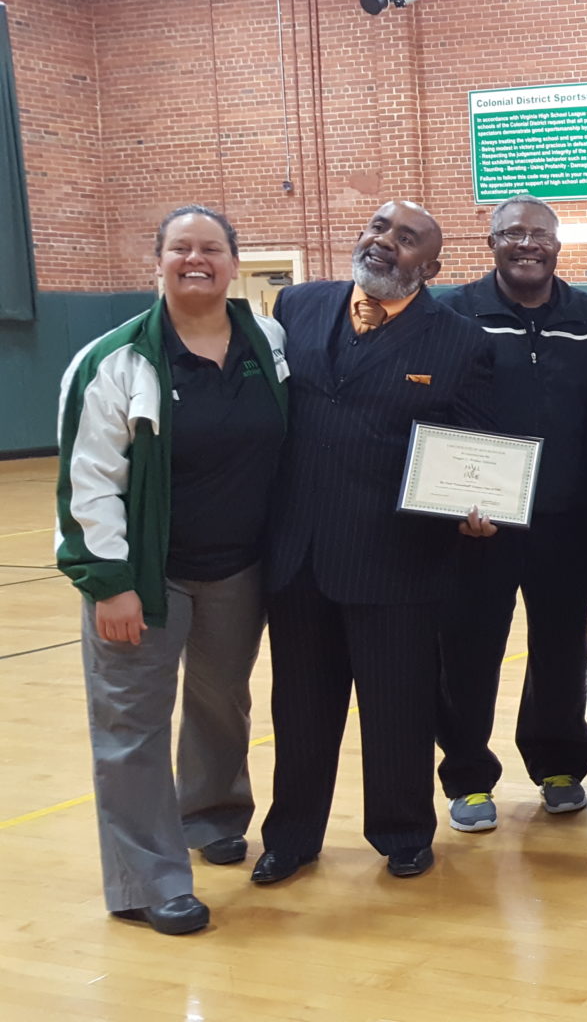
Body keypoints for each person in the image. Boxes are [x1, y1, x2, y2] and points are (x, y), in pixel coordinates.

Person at [55, 206, 287, 934]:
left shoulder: (268, 341)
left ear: (233, 262)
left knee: (224, 704)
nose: (196, 259)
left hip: (238, 569)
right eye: (180, 248)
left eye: (211, 248)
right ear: (156, 261)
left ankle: (212, 814)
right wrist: (110, 582)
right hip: (145, 580)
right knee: (130, 726)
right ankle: (147, 880)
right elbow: (87, 483)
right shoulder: (113, 362)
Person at [254, 200, 495, 884]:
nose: (385, 242)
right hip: (297, 555)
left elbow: (475, 447)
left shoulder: (460, 341)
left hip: (398, 560)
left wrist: (475, 510)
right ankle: (291, 836)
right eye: (379, 228)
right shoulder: (296, 306)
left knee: (398, 707)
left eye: (407, 238)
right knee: (299, 707)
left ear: (432, 267)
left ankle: (402, 831)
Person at [434, 194, 587, 831]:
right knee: (469, 648)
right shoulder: (452, 312)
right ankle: (467, 776)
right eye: (512, 233)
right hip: (478, 521)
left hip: (568, 519)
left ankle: (559, 763)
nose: (526, 244)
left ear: (557, 246)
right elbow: (433, 411)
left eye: (538, 234)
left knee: (563, 648)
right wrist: (451, 503)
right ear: (491, 243)